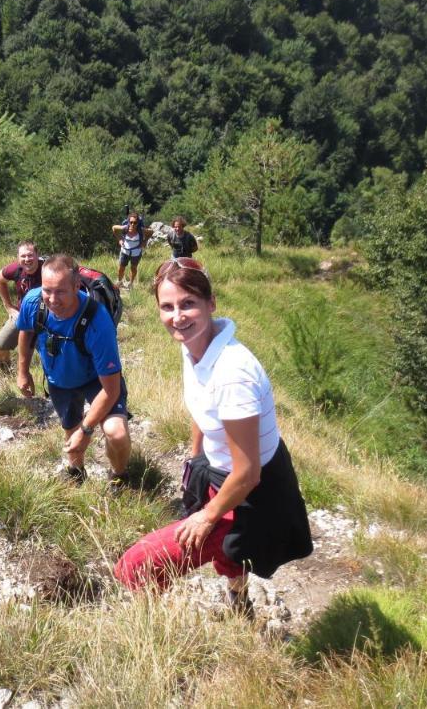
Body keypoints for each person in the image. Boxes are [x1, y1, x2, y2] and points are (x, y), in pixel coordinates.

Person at [114, 257, 312, 613]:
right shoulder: (196, 346)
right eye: (168, 306)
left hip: (254, 491)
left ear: (211, 303)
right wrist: (196, 459)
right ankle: (239, 602)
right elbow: (203, 409)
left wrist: (206, 517)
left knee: (136, 566)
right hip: (224, 472)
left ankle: (156, 631)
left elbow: (248, 473)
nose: (177, 317)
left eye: (188, 303)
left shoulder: (233, 373)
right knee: (226, 554)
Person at [17, 255, 132, 484]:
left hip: (97, 380)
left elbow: (110, 389)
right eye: (47, 290)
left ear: (76, 285)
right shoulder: (32, 302)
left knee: (115, 432)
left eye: (60, 291)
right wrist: (23, 371)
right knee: (71, 429)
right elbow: (26, 332)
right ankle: (76, 473)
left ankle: (119, 475)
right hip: (60, 377)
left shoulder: (98, 321)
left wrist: (87, 430)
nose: (52, 299)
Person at [0, 241, 43, 371]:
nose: (27, 259)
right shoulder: (16, 270)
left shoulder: (47, 268)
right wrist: (8, 307)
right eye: (23, 256)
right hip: (22, 315)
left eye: (30, 255)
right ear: (18, 258)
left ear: (37, 255)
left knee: (48, 352)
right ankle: (4, 366)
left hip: (45, 317)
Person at [112, 212, 153, 290]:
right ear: (128, 222)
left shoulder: (141, 230)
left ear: (138, 223)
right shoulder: (125, 228)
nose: (133, 224)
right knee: (121, 268)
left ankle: (131, 283)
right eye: (131, 222)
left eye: (135, 222)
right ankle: (120, 281)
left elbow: (151, 232)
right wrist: (120, 239)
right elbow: (114, 228)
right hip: (124, 252)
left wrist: (145, 241)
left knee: (133, 268)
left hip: (136, 253)